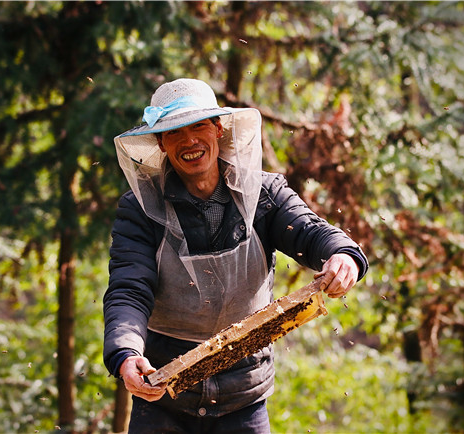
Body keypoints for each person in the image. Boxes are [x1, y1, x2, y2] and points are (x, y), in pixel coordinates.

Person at [104, 78, 368, 433]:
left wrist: (343, 256)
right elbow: (128, 288)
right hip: (163, 401)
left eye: (198, 126)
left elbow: (308, 231)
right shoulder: (139, 210)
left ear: (218, 129)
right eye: (175, 132)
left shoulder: (264, 193)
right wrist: (127, 354)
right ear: (161, 144)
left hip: (243, 398)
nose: (189, 141)